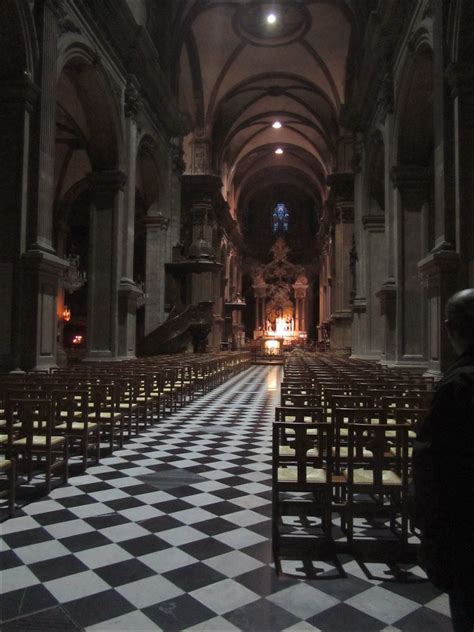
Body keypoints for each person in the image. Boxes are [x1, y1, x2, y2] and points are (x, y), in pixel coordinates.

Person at [412, 289, 474, 632]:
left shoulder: (457, 384)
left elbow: (431, 463)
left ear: (450, 328)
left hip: (464, 530)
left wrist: (429, 526)